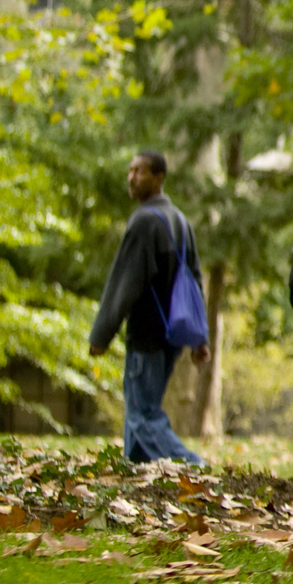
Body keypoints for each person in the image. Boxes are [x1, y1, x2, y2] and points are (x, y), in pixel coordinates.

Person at [89, 150, 210, 466]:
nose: (132, 177)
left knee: (143, 413)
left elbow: (124, 281)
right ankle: (135, 473)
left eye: (140, 171)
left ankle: (192, 465)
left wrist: (101, 334)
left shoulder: (144, 221)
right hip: (173, 335)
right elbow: (195, 282)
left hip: (146, 335)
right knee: (139, 408)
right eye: (130, 171)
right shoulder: (180, 220)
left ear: (159, 177)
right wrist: (199, 339)